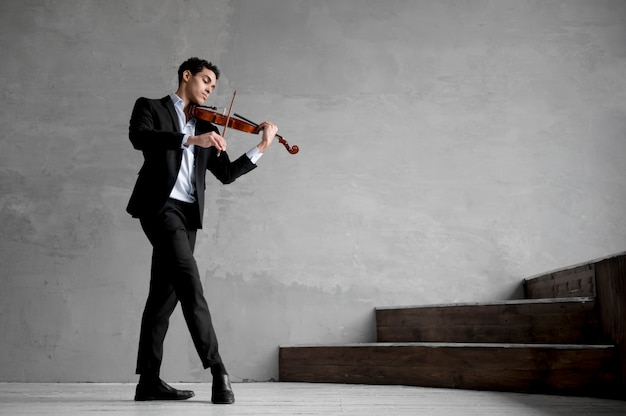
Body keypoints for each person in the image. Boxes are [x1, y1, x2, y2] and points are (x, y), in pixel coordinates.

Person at [126, 57, 277, 404]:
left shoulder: (206, 124)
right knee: (191, 285)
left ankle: (148, 381)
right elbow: (140, 137)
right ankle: (217, 369)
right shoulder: (151, 107)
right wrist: (192, 140)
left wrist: (262, 146)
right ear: (186, 75)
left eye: (213, 85)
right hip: (159, 208)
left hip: (186, 216)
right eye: (206, 80)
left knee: (163, 299)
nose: (210, 88)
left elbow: (226, 173)